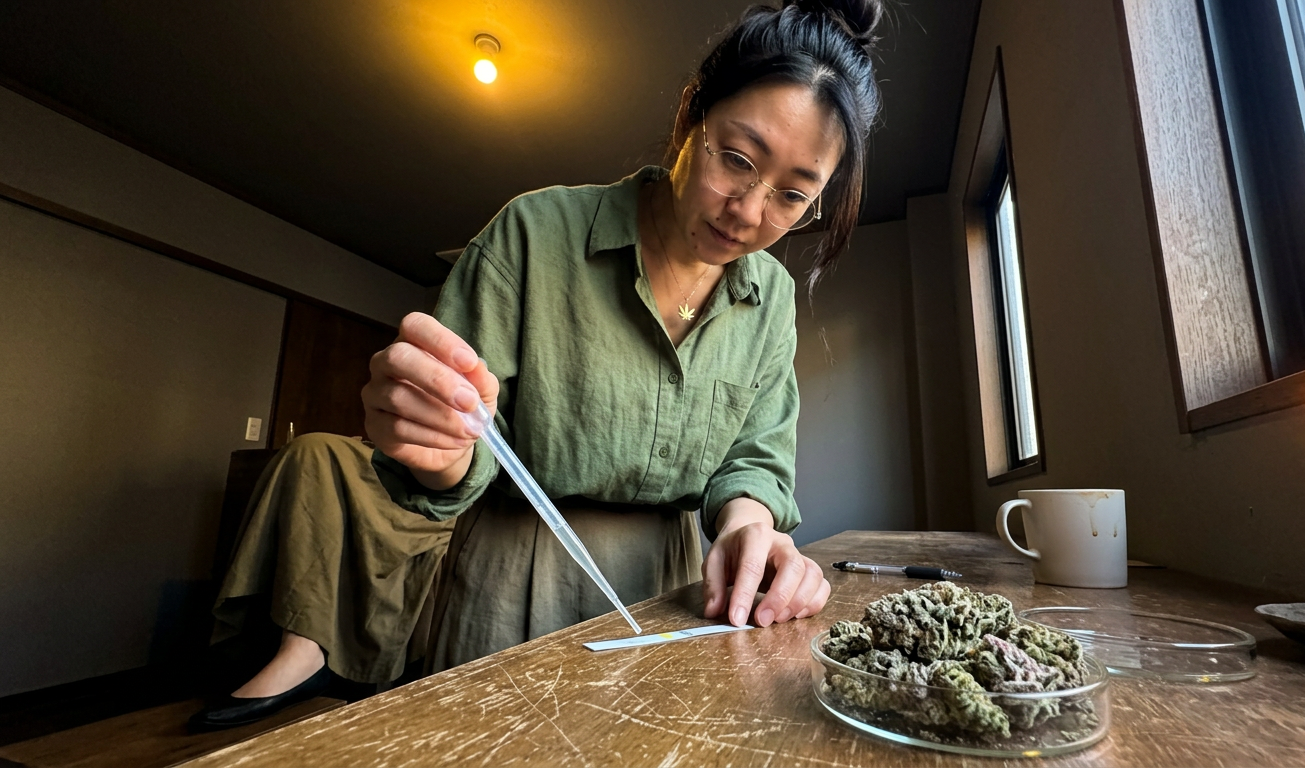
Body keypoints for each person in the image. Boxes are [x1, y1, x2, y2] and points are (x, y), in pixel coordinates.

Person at [191, 0, 884, 730]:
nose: (748, 211)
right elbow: (464, 448)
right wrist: (439, 448)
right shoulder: (534, 233)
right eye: (736, 160)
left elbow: (754, 458)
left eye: (792, 195)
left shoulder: (770, 295)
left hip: (674, 592)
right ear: (692, 117)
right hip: (510, 583)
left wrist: (748, 527)